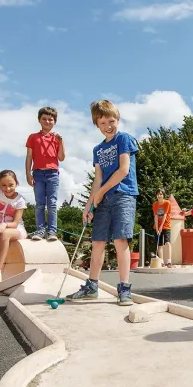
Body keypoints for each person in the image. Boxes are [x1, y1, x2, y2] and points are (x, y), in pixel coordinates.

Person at [67, 100, 139, 306]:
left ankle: (124, 289)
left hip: (123, 195)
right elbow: (97, 179)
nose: (108, 126)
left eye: (112, 120)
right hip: (103, 199)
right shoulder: (98, 149)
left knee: (120, 240)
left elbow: (123, 170)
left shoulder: (124, 139)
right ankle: (92, 287)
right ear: (97, 125)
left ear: (118, 120)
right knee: (98, 241)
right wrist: (90, 204)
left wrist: (101, 193)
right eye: (103, 123)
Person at [25, 107, 66, 242]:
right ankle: (40, 230)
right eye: (44, 119)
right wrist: (28, 174)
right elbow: (29, 157)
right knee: (39, 204)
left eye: (50, 119)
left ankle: (52, 231)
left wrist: (61, 142)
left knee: (52, 203)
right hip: (38, 173)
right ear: (39, 120)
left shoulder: (57, 138)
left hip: (53, 174)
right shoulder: (33, 137)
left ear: (55, 121)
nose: (47, 121)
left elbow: (61, 158)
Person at [152, 188, 173, 268]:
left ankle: (169, 261)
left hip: (166, 226)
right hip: (157, 227)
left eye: (161, 194)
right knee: (159, 245)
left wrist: (161, 227)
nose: (159, 195)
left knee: (167, 243)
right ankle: (161, 261)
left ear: (163, 195)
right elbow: (156, 216)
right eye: (158, 194)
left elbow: (165, 215)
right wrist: (157, 228)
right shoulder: (155, 204)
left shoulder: (167, 203)